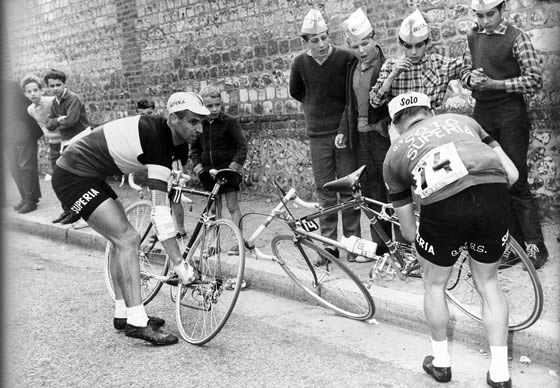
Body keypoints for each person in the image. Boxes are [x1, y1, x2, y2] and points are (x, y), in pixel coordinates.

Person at [51, 92, 210, 346]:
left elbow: (172, 189)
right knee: (127, 238)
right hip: (73, 176)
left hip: (89, 175)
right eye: (193, 122)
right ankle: (137, 322)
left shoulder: (177, 141)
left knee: (119, 240)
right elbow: (160, 213)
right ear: (173, 119)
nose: (200, 129)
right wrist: (180, 266)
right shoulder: (156, 140)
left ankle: (123, 313)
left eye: (203, 122)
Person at [383, 92, 518, 388]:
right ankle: (500, 374)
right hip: (492, 194)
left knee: (434, 284)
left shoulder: (394, 154)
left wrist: (433, 239)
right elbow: (513, 173)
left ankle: (441, 363)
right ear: (431, 112)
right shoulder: (465, 121)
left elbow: (407, 231)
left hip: (443, 207)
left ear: (396, 125)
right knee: (489, 283)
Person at [461, 0, 548, 269]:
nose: (485, 21)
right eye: (480, 16)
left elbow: (534, 79)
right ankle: (514, 247)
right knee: (495, 183)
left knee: (516, 179)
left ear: (502, 10)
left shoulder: (517, 38)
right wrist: (470, 79)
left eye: (490, 15)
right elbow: (464, 70)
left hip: (511, 113)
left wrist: (496, 84)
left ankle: (536, 247)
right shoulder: (472, 36)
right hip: (483, 115)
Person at [289, 8, 361, 261]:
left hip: (343, 133)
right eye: (314, 40)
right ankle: (329, 243)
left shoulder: (345, 58)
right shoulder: (299, 63)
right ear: (305, 41)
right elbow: (297, 92)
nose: (321, 44)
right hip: (317, 135)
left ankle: (352, 244)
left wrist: (343, 127)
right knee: (325, 189)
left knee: (350, 186)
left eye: (324, 37)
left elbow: (351, 97)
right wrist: (316, 109)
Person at [336, 8, 393, 261]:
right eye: (356, 46)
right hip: (361, 140)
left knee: (393, 190)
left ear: (375, 39)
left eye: (366, 43)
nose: (362, 50)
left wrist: (385, 125)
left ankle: (402, 246)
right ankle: (380, 247)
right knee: (370, 194)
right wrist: (343, 131)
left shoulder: (385, 66)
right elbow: (350, 103)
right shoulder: (352, 68)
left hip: (382, 138)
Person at [369, 10, 464, 114]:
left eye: (419, 45)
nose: (414, 52)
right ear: (401, 45)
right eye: (408, 46)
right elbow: (375, 102)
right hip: (402, 125)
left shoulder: (438, 64)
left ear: (428, 43)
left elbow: (466, 65)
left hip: (430, 123)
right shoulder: (390, 65)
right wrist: (392, 75)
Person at [191, 85, 247, 253]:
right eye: (209, 106)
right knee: (214, 209)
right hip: (208, 173)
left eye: (217, 104)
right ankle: (215, 243)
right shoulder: (199, 123)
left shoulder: (229, 122)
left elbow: (242, 147)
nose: (214, 109)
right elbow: (194, 149)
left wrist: (232, 168)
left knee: (232, 206)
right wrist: (198, 168)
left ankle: (240, 242)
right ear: (202, 106)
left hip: (227, 172)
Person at [44, 69, 91, 225]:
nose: (55, 88)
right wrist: (58, 119)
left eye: (58, 84)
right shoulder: (54, 102)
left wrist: (56, 121)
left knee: (78, 178)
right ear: (48, 87)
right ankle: (69, 210)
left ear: (64, 84)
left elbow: (71, 121)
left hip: (80, 140)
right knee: (62, 178)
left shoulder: (72, 99)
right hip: (66, 142)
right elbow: (49, 125)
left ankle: (81, 213)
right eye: (52, 86)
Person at [6, 80, 43, 214]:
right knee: (13, 166)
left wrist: (30, 131)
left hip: (20, 128)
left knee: (26, 164)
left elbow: (29, 107)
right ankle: (26, 197)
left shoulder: (12, 86)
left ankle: (30, 200)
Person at [21, 74, 59, 180]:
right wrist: (46, 132)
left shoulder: (52, 101)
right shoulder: (30, 109)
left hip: (65, 139)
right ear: (25, 94)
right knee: (57, 171)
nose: (33, 94)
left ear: (41, 90)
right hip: (53, 143)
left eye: (35, 90)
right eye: (29, 92)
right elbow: (40, 123)